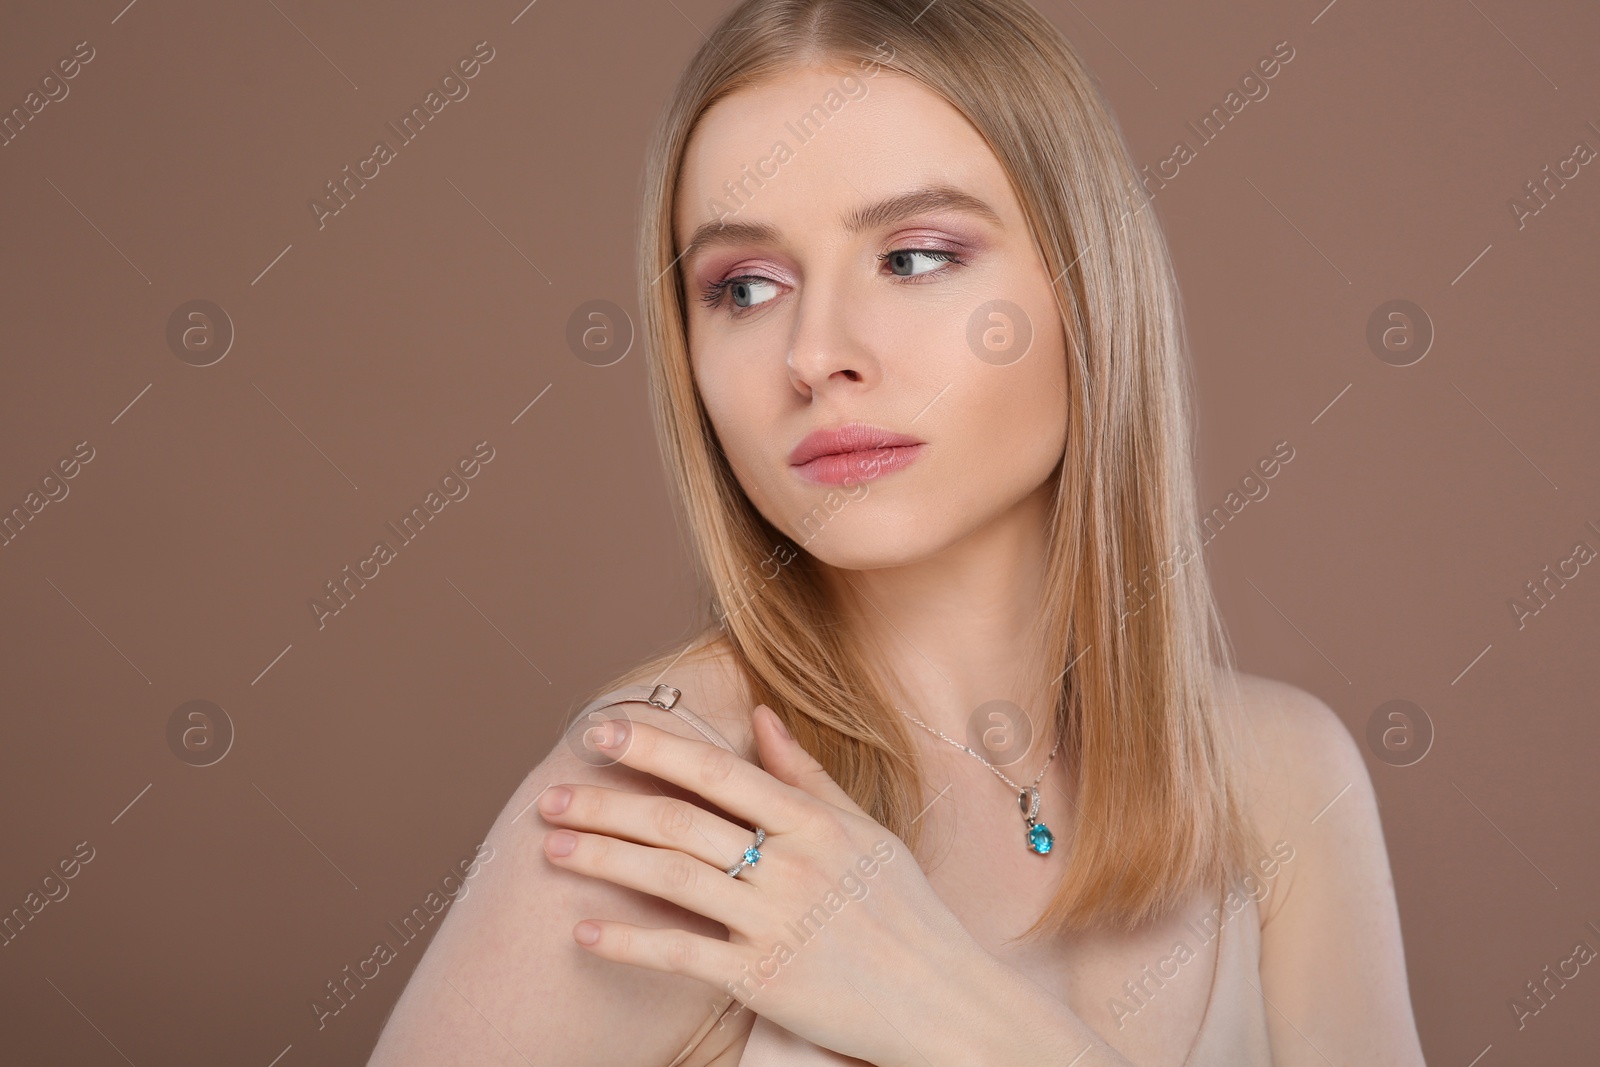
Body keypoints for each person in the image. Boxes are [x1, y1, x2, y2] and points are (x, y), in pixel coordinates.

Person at [368, 0, 1428, 1063]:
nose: (815, 350)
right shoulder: (665, 809)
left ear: (1087, 288)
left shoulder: (1283, 777)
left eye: (914, 258)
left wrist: (946, 1011)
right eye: (744, 285)